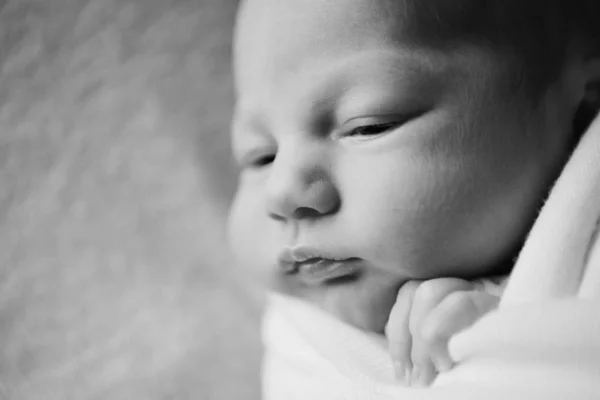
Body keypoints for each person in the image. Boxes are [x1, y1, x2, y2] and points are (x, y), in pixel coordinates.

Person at [226, 0, 600, 395]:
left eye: (368, 126)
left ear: (580, 106)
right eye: (260, 156)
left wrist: (507, 334)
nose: (281, 192)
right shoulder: (300, 333)